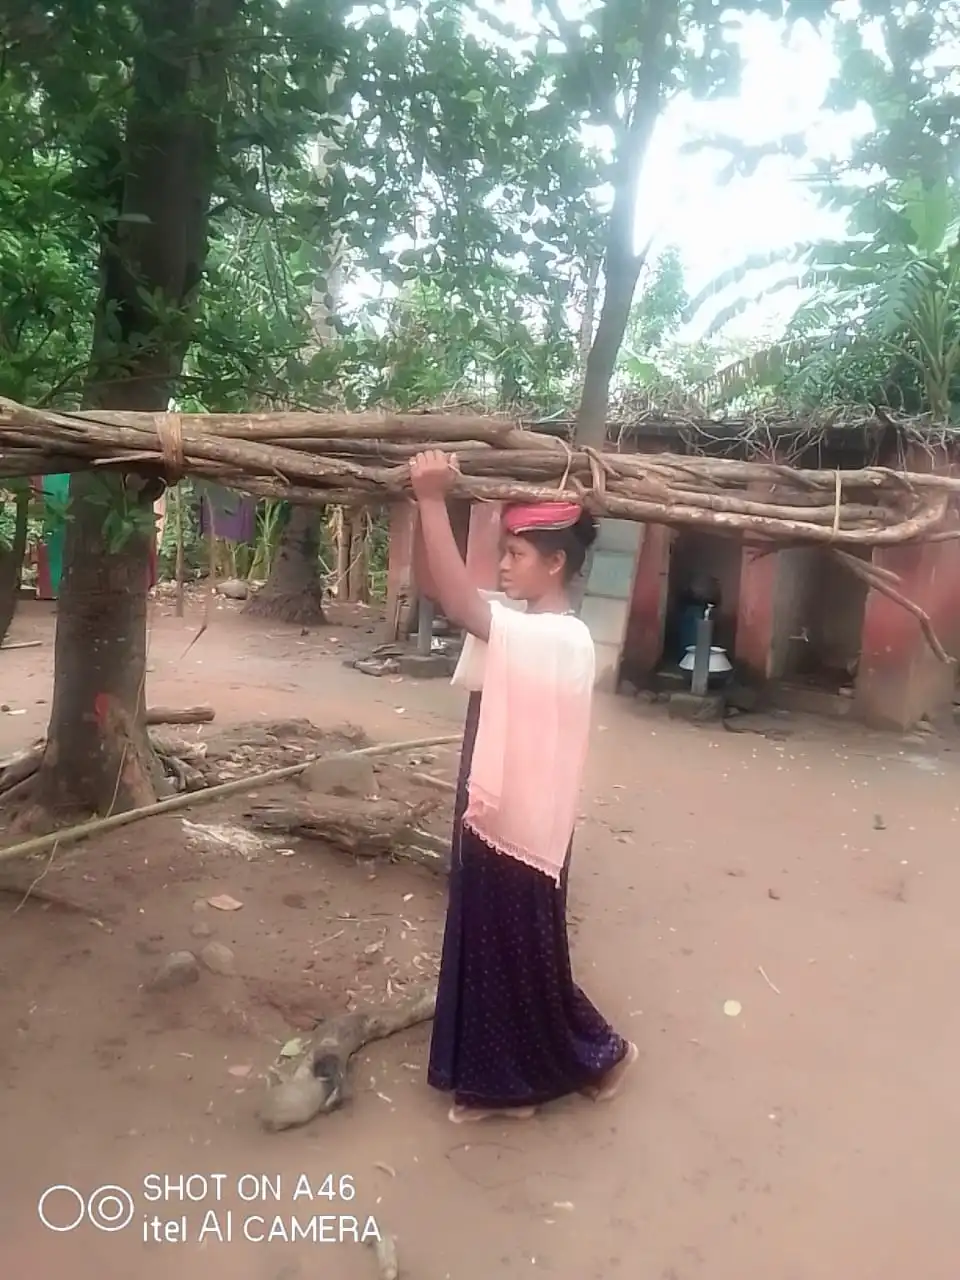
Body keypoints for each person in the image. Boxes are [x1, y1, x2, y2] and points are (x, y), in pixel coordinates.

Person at [409, 449, 637, 1125]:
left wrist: (431, 499)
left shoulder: (563, 638)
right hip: (494, 808)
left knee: (518, 956)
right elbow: (439, 589)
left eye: (515, 554)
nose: (503, 566)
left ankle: (598, 1056)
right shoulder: (526, 627)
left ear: (555, 562)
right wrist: (420, 502)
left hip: (526, 824)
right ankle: (502, 1084)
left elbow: (459, 602)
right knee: (491, 946)